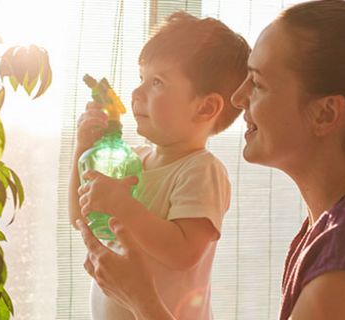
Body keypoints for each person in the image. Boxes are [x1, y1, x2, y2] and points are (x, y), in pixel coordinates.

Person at [77, 0, 345, 319]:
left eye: (257, 83)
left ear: (324, 114)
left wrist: (141, 300)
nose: (238, 97)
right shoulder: (344, 224)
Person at [68, 12, 250, 319]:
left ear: (205, 106)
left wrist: (123, 206)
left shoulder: (202, 171)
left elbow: (184, 252)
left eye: (157, 82)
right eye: (141, 79)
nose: (137, 93)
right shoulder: (132, 158)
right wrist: (82, 150)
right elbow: (80, 218)